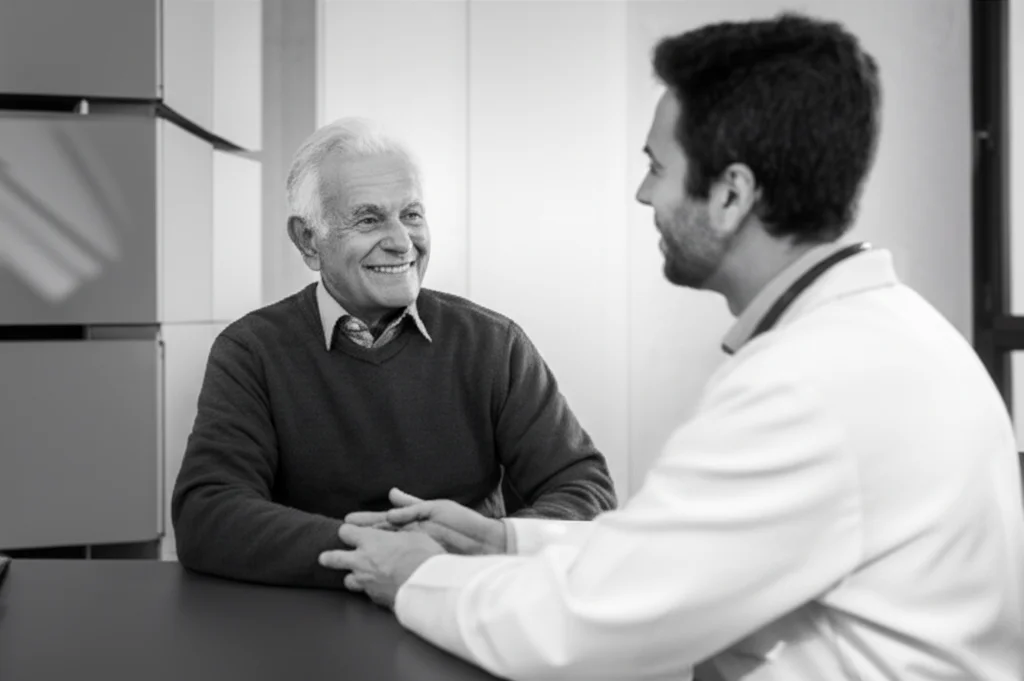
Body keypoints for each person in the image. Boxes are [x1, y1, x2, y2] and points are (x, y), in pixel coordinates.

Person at [317, 12, 1024, 681]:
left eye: (657, 166)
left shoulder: (810, 385)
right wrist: (504, 541)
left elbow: (584, 624)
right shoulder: (879, 338)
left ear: (730, 194)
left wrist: (416, 575)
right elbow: (680, 552)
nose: (642, 193)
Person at [171, 118, 617, 588]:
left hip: (468, 607)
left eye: (412, 215)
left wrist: (485, 544)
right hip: (313, 620)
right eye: (368, 219)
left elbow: (585, 490)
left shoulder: (493, 343)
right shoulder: (251, 351)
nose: (402, 242)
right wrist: (373, 553)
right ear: (308, 240)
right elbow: (208, 513)